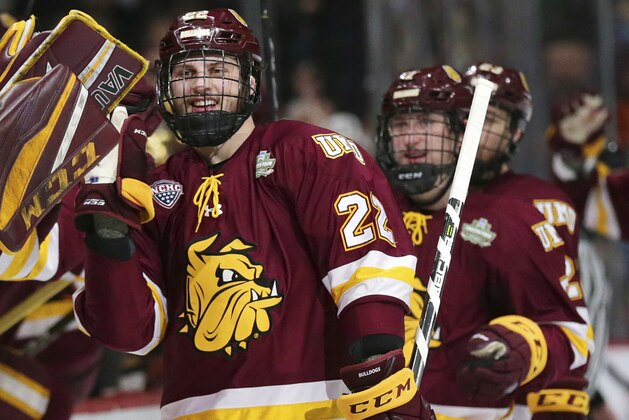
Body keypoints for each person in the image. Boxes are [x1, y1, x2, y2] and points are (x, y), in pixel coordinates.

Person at [69, 8, 434, 419]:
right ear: (166, 86)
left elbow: (367, 262)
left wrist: (378, 369)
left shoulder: (304, 151)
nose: (201, 84)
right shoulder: (154, 188)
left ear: (249, 80)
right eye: (186, 72)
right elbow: (130, 333)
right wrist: (107, 234)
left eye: (217, 69)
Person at [376, 65, 591, 419]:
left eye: (426, 124)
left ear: (461, 135)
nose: (412, 139)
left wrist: (527, 347)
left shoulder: (514, 220)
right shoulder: (369, 210)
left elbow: (571, 335)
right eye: (401, 126)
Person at [461, 62, 594, 418]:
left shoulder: (540, 205)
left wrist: (561, 404)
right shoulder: (416, 199)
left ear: (516, 134)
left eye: (487, 122)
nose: (472, 131)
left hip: (504, 403)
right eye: (465, 117)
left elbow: (560, 322)